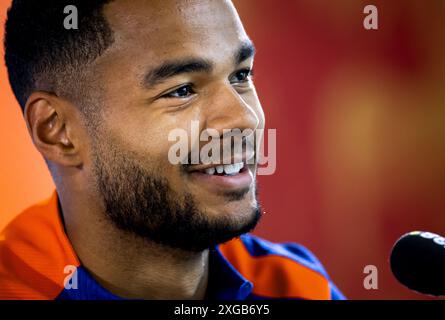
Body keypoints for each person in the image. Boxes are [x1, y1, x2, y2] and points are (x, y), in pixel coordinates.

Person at [0, 0, 344, 300]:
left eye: (241, 75)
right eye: (181, 90)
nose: (244, 118)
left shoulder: (298, 285)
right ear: (58, 131)